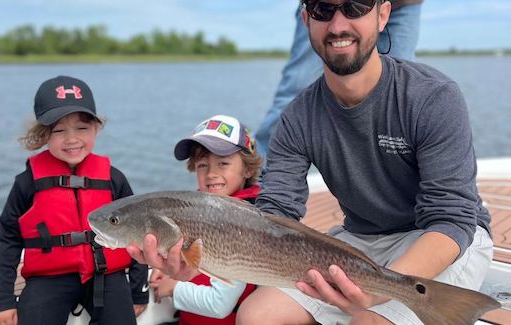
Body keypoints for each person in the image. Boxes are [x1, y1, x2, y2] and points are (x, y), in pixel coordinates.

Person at [128, 1, 493, 324]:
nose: (337, 25)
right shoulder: (298, 117)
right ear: (307, 20)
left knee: (370, 321)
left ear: (383, 14)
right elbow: (274, 216)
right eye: (323, 9)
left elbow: (452, 217)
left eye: (354, 7)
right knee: (256, 316)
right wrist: (202, 264)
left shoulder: (432, 96)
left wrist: (382, 289)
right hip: (362, 239)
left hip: (442, 237)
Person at [0, 76, 149, 325]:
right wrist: (3, 299)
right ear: (43, 135)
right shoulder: (27, 181)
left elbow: (141, 232)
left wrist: (138, 290)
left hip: (107, 275)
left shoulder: (114, 178)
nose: (72, 139)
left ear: (96, 129)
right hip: (47, 279)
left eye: (82, 128)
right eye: (59, 130)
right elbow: (8, 237)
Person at [255, 0, 422, 166]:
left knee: (400, 98)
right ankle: (259, 170)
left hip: (404, 4)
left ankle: (399, 180)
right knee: (297, 89)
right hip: (323, 6)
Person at [149, 114, 262, 324]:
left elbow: (219, 304)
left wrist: (174, 288)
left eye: (223, 163)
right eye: (202, 165)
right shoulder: (195, 212)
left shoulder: (243, 223)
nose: (211, 174)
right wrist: (165, 263)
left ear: (248, 169)